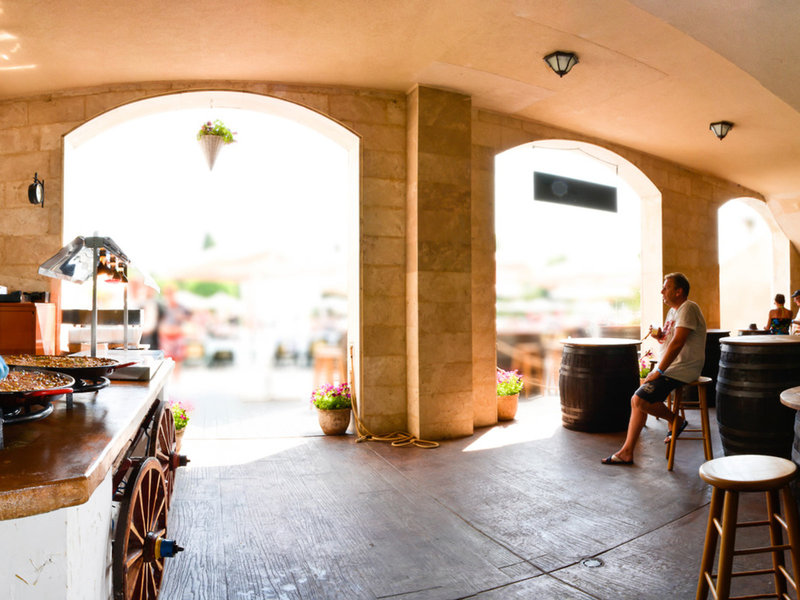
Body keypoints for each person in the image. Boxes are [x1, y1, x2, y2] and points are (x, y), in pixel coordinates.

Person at [602, 272, 707, 465]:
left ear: (679, 291)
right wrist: (660, 337)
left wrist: (658, 371)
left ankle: (675, 420)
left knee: (640, 399)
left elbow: (678, 343)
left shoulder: (688, 307)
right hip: (672, 368)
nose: (662, 291)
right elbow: (670, 340)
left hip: (682, 368)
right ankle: (627, 452)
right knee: (636, 400)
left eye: (666, 288)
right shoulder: (673, 312)